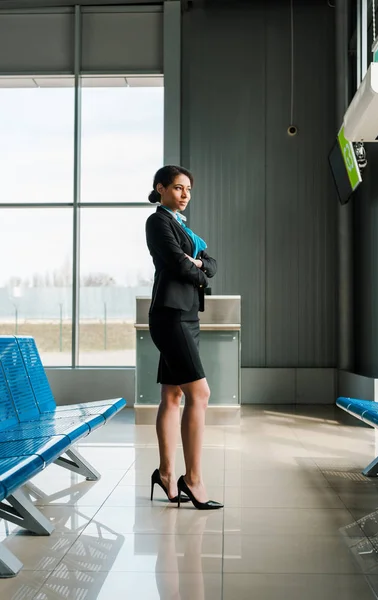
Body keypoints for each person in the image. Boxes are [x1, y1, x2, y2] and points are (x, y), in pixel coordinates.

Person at [146, 165, 223, 510]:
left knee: (173, 393)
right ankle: (192, 480)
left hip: (187, 315)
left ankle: (166, 473)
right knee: (200, 392)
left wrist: (200, 264)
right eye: (178, 188)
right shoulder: (158, 222)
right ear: (161, 189)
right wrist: (198, 266)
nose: (184, 194)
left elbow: (212, 263)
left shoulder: (183, 228)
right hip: (170, 315)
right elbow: (179, 266)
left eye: (188, 189)